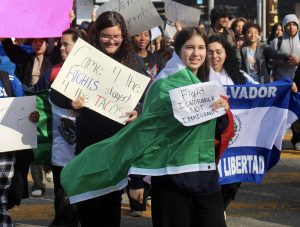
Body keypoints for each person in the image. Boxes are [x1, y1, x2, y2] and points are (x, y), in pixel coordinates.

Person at [129, 27, 234, 227]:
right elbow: (147, 132)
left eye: (201, 47)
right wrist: (136, 179)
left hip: (205, 176)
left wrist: (223, 113)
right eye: (190, 47)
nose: (196, 53)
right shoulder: (162, 86)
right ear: (178, 50)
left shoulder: (213, 83)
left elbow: (221, 132)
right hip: (171, 181)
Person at [73, 11, 149, 227]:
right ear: (97, 35)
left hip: (117, 144)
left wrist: (139, 110)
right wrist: (72, 102)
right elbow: (56, 94)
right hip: (87, 144)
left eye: (116, 36)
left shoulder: (133, 61)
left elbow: (149, 97)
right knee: (87, 203)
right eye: (106, 36)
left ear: (123, 36)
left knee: (111, 203)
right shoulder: (84, 58)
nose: (111, 41)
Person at [35, 28, 88, 227]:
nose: (61, 47)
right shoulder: (52, 72)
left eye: (66, 43)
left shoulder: (93, 74)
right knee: (61, 193)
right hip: (59, 148)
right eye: (60, 43)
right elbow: (37, 99)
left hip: (86, 148)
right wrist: (34, 113)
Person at [1, 37, 54, 197]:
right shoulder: (26, 59)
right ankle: (38, 182)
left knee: (48, 142)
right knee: (32, 143)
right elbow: (13, 53)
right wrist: (5, 39)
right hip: (28, 105)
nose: (38, 44)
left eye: (41, 41)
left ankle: (49, 167)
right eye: (35, 42)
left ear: (48, 43)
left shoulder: (53, 59)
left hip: (48, 106)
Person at [0, 70, 39, 226]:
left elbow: (24, 109)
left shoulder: (7, 78)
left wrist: (31, 116)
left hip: (4, 150)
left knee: (1, 196)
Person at [270, 14, 300, 150]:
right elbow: (270, 61)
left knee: (298, 110)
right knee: (282, 112)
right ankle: (276, 139)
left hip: (298, 81)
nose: (291, 27)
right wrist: (283, 60)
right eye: (288, 24)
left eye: (294, 24)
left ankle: (297, 139)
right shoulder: (277, 41)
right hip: (282, 81)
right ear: (283, 25)